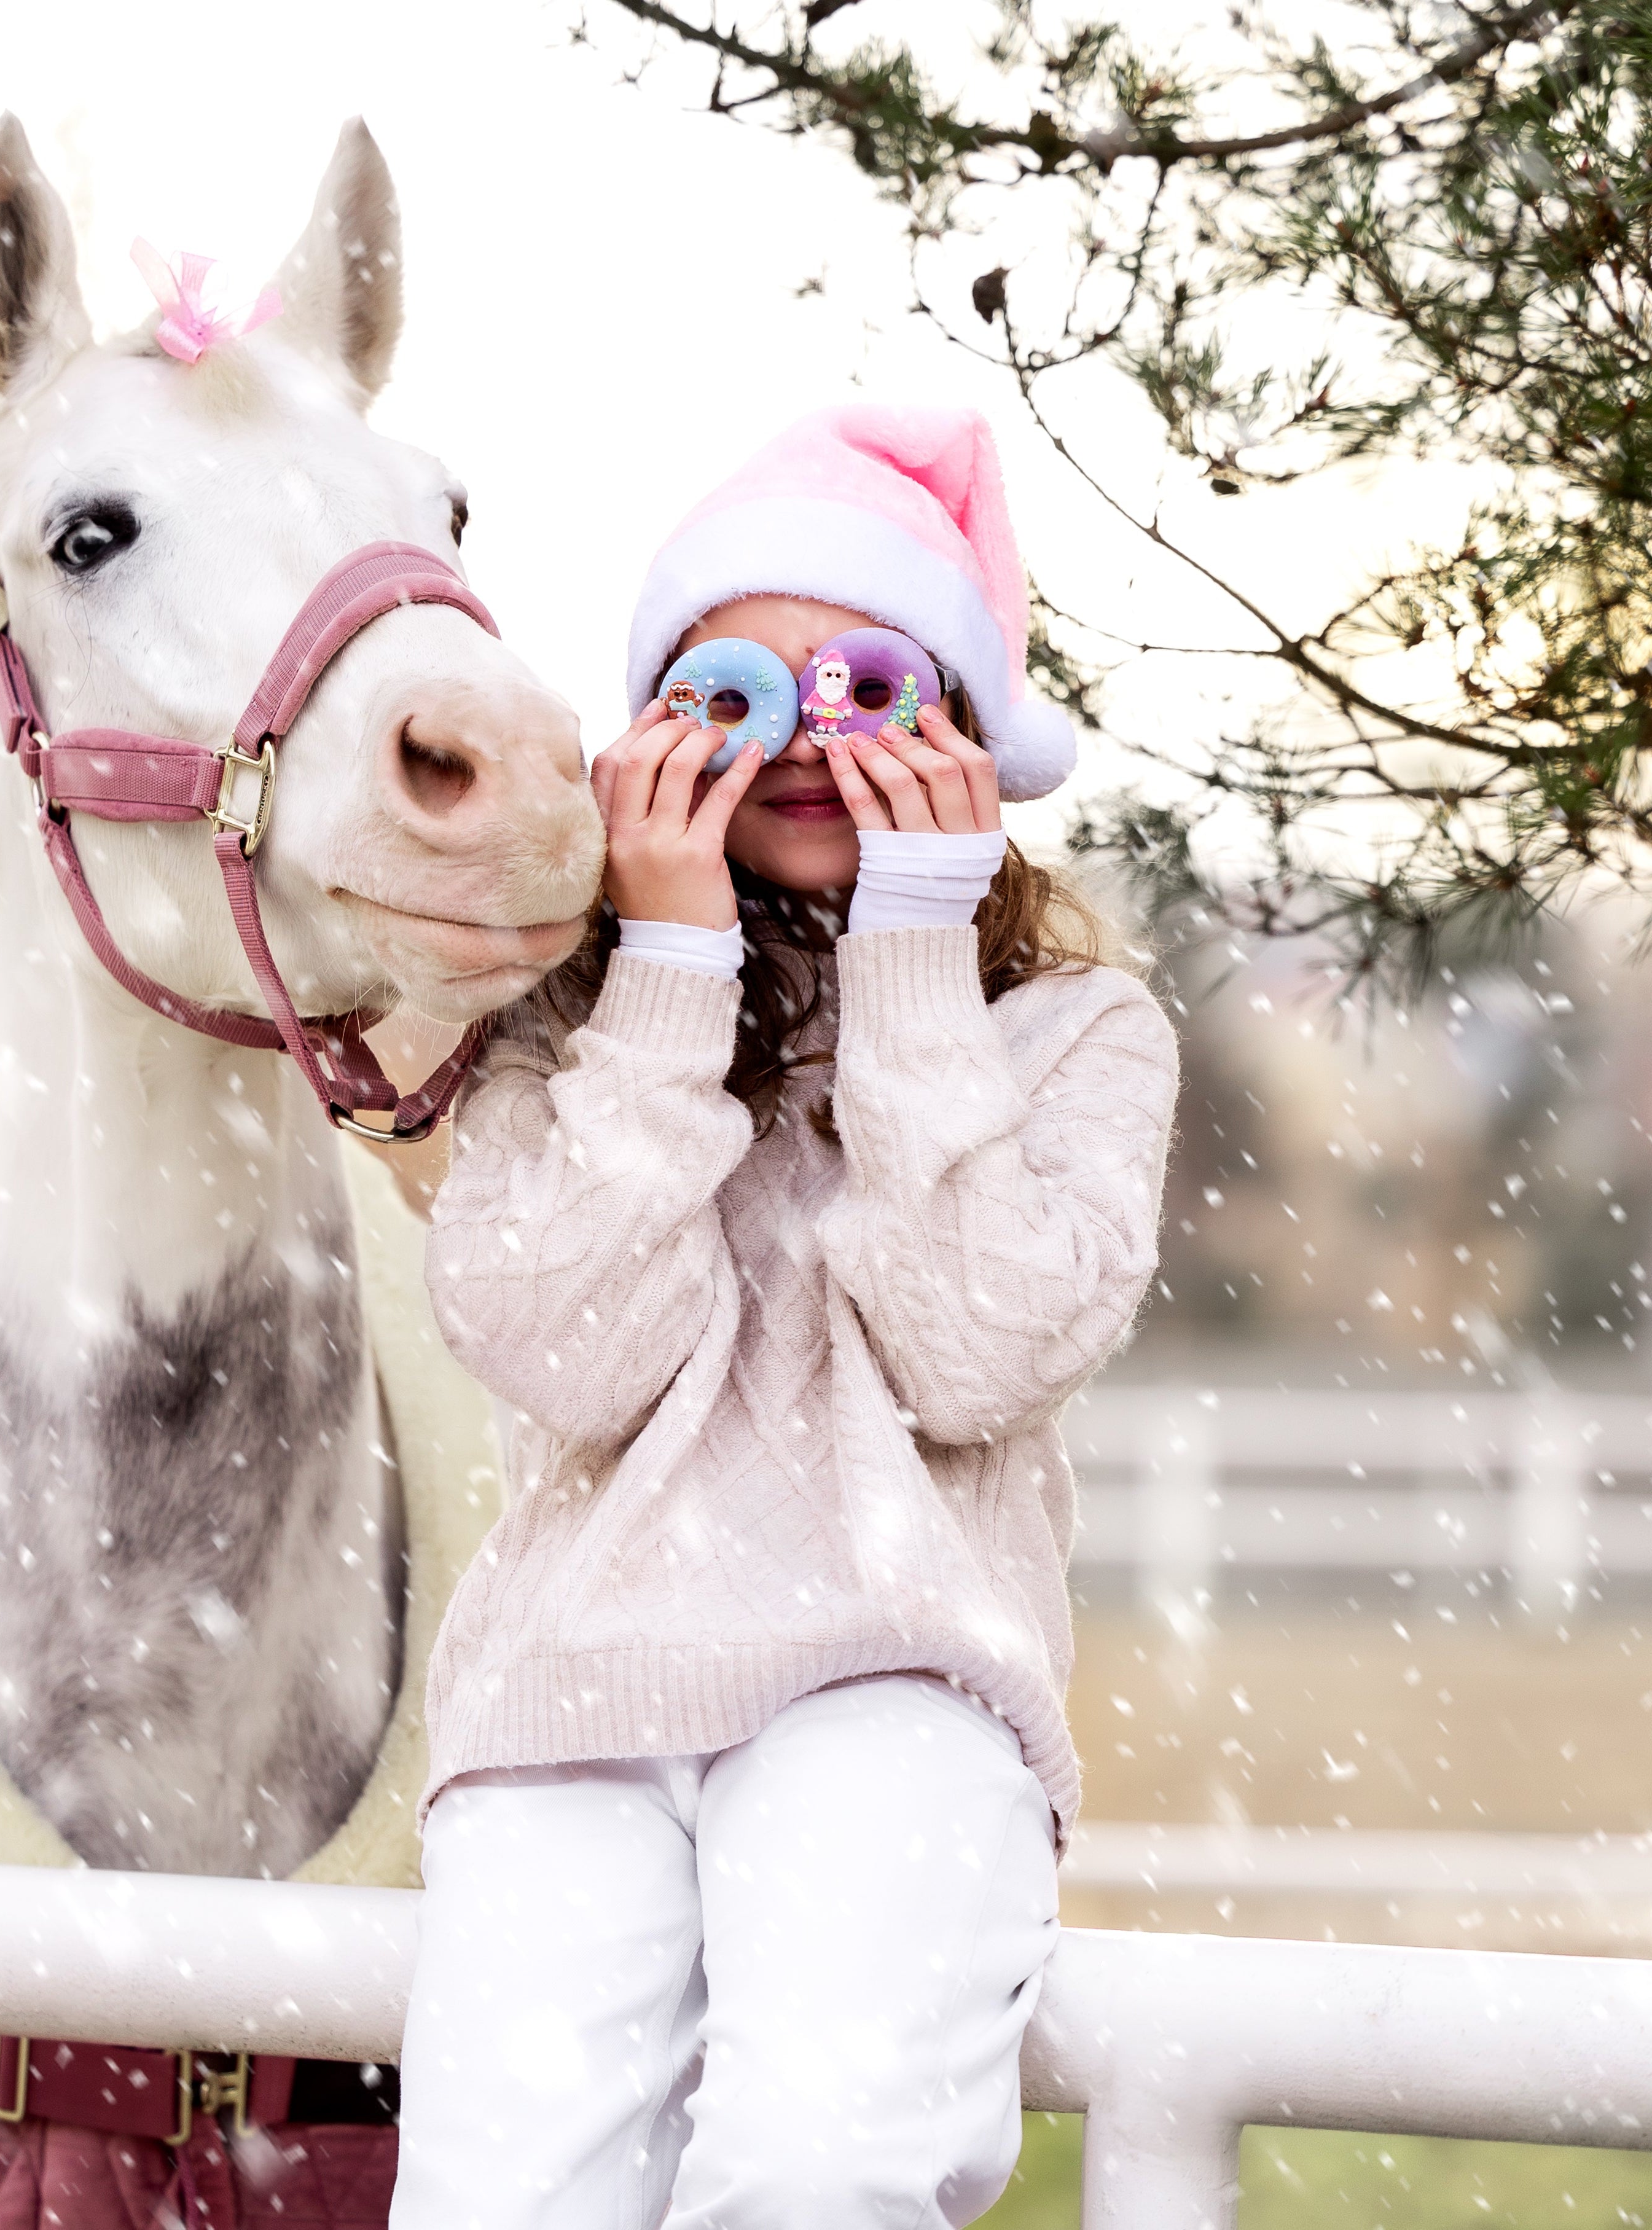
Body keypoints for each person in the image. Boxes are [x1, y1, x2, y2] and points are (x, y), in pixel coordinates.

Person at [391, 405, 1180, 2229]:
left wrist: (917, 952)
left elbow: (975, 1355)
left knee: (818, 2167)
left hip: (895, 1679)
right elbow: (569, 1356)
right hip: (569, 1701)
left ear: (971, 725)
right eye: (737, 691)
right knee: (498, 2200)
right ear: (657, 734)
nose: (813, 743)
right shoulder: (555, 1037)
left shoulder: (1074, 1034)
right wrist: (665, 975)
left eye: (875, 688)